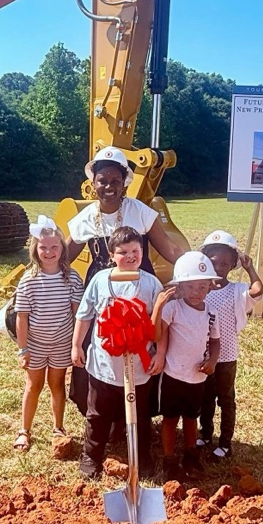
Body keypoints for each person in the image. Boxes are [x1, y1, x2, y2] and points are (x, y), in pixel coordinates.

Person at [66, 146, 185, 415]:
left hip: (139, 292)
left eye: (115, 181)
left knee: (143, 343)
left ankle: (136, 412)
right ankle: (101, 410)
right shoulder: (85, 218)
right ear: (92, 183)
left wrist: (197, 269)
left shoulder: (141, 212)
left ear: (125, 182)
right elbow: (64, 257)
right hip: (102, 294)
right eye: (102, 181)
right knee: (100, 347)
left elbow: (169, 249)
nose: (109, 186)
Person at [71, 226, 164, 479]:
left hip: (139, 366)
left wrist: (160, 353)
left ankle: (141, 457)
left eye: (136, 250)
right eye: (123, 252)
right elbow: (84, 314)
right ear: (112, 254)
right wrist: (76, 344)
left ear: (143, 252)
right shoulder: (100, 281)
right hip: (103, 365)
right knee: (97, 414)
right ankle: (92, 456)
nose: (131, 256)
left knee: (140, 416)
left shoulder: (150, 284)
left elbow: (160, 324)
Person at [13, 216, 84, 452]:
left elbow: (78, 315)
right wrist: (23, 349)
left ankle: (58, 428)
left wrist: (76, 345)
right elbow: (21, 317)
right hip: (35, 344)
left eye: (54, 246)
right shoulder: (29, 281)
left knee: (57, 384)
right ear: (36, 249)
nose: (49, 252)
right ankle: (24, 430)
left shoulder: (72, 278)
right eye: (43, 247)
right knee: (33, 385)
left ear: (63, 248)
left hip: (62, 344)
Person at [153, 251, 221, 481]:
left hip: (197, 378)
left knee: (192, 419)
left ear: (210, 287)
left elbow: (214, 341)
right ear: (180, 287)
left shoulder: (211, 313)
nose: (196, 293)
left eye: (202, 287)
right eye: (190, 287)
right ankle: (169, 460)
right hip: (173, 375)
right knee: (170, 419)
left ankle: (191, 457)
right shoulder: (173, 309)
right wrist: (158, 307)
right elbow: (155, 334)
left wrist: (212, 361)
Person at [197, 230, 263, 458]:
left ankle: (225, 442)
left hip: (226, 356)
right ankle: (205, 434)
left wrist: (250, 268)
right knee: (204, 398)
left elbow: (258, 291)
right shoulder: (200, 289)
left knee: (225, 399)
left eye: (226, 263)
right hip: (203, 354)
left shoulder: (236, 291)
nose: (220, 267)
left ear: (233, 264)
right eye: (215, 262)